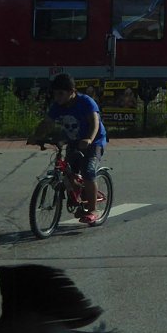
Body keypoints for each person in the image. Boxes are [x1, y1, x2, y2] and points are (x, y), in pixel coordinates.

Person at [45, 73, 108, 224]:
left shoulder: (86, 102)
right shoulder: (57, 107)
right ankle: (79, 195)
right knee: (67, 171)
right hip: (73, 141)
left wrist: (89, 139)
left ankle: (93, 210)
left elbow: (95, 123)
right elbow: (46, 123)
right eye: (55, 94)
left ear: (72, 91)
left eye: (61, 93)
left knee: (88, 171)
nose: (57, 97)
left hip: (94, 142)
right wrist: (36, 136)